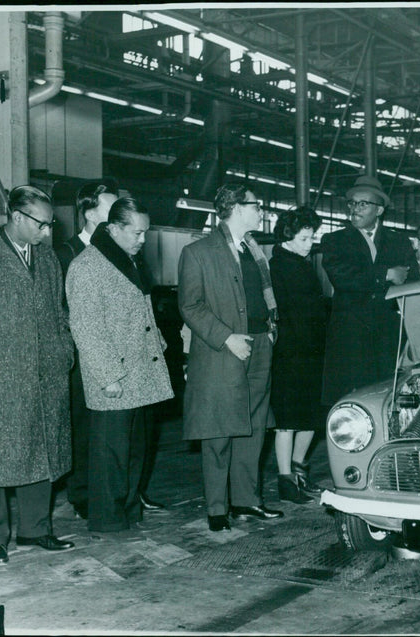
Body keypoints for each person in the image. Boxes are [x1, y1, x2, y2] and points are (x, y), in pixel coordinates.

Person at [0, 185, 76, 565]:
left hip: (45, 372)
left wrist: (64, 350)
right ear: (17, 218)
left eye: (49, 225)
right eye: (42, 225)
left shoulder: (48, 261)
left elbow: (60, 312)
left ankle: (36, 529)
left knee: (40, 449)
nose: (48, 232)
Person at [178, 182, 283, 532]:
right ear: (237, 208)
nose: (261, 212)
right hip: (224, 351)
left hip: (259, 344)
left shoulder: (254, 249)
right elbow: (190, 305)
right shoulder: (199, 252)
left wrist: (270, 328)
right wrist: (226, 338)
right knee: (219, 431)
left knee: (253, 428)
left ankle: (246, 501)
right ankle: (217, 508)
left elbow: (263, 295)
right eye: (256, 206)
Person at [66, 197, 173, 533]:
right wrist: (108, 376)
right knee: (110, 456)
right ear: (113, 229)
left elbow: (144, 313)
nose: (142, 240)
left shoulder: (129, 261)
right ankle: (107, 520)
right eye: (137, 233)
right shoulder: (87, 267)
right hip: (114, 377)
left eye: (145, 233)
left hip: (141, 372)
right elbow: (85, 327)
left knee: (135, 451)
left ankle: (128, 511)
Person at [320, 174, 412, 406]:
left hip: (388, 338)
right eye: (352, 203)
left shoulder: (399, 241)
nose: (355, 209)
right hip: (350, 337)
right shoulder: (334, 240)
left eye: (363, 204)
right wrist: (387, 274)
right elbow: (343, 278)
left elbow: (411, 280)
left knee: (388, 397)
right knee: (350, 401)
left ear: (379, 210)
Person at [55, 182, 118, 520]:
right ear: (91, 213)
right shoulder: (66, 253)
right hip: (81, 356)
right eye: (112, 207)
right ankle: (82, 494)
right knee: (83, 426)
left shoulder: (118, 251)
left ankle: (118, 489)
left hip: (116, 351)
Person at [269, 207, 328, 504]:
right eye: (305, 238)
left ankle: (298, 471)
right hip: (290, 353)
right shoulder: (278, 265)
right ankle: (285, 480)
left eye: (312, 237)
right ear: (288, 237)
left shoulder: (300, 262)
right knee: (288, 420)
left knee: (308, 417)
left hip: (309, 351)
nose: (310, 244)